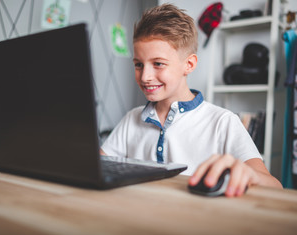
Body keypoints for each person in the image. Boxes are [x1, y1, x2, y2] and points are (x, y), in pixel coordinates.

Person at [100, 3, 282, 197]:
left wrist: (249, 174)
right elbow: (95, 166)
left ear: (189, 64)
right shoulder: (131, 119)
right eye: (138, 64)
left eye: (158, 64)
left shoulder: (223, 122)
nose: (145, 76)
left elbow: (275, 187)